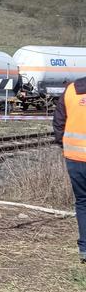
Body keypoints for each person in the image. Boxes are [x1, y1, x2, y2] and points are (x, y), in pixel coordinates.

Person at [53, 76, 86, 264]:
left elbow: (58, 123)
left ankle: (84, 249)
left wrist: (64, 145)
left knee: (82, 202)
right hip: (74, 156)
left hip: (75, 157)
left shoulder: (72, 89)